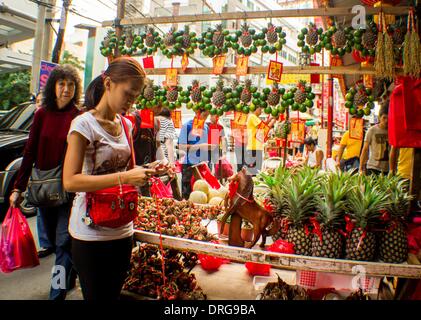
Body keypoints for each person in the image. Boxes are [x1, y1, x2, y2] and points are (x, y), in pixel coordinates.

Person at [63, 57, 160, 300]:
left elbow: (128, 172)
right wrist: (125, 177)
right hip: (90, 232)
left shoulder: (126, 124)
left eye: (135, 97)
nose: (131, 102)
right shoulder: (83, 125)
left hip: (123, 229)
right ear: (108, 84)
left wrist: (149, 170)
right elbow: (71, 181)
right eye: (128, 93)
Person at [9, 64, 82, 300]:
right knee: (53, 240)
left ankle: (57, 292)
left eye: (71, 85)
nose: (66, 89)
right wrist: (18, 188)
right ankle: (69, 276)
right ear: (53, 86)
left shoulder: (77, 116)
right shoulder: (41, 114)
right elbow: (29, 152)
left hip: (67, 191)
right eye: (61, 84)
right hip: (42, 189)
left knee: (62, 243)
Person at [178, 109, 210, 199]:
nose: (205, 118)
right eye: (204, 115)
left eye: (207, 116)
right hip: (189, 164)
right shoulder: (187, 126)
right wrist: (199, 146)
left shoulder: (206, 127)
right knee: (187, 192)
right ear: (197, 113)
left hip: (202, 164)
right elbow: (181, 146)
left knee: (201, 193)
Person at [359, 102, 390, 175]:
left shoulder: (392, 131)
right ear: (379, 117)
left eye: (388, 118)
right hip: (372, 168)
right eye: (384, 118)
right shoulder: (372, 130)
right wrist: (360, 168)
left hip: (386, 169)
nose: (386, 121)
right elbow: (365, 149)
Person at [246, 107, 276, 176]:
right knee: (253, 171)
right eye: (260, 109)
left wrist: (271, 119)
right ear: (255, 109)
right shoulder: (252, 116)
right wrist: (273, 121)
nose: (261, 111)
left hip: (256, 148)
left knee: (257, 171)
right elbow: (263, 127)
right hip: (253, 147)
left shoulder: (255, 118)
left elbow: (263, 125)